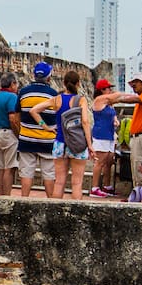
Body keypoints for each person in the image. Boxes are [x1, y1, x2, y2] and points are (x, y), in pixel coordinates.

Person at [106, 74, 142, 191]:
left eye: (137, 82)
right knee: (136, 168)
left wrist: (117, 99)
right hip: (137, 138)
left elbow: (133, 99)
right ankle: (137, 194)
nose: (134, 85)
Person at [16, 61, 60, 198]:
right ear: (49, 77)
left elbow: (17, 116)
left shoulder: (23, 92)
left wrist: (21, 131)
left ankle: (24, 200)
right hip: (47, 140)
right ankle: (51, 202)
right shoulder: (53, 94)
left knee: (26, 172)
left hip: (27, 139)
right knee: (49, 173)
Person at [49, 70, 93, 200]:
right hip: (77, 143)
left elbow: (35, 110)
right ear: (78, 83)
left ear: (63, 83)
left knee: (59, 182)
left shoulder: (57, 99)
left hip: (60, 143)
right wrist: (89, 144)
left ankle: (55, 213)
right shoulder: (81, 100)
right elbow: (85, 121)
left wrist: (45, 126)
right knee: (77, 183)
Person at [0, 72, 20, 195]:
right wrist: (18, 134)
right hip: (9, 133)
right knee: (9, 168)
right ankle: (7, 195)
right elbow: (12, 118)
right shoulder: (12, 97)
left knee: (1, 166)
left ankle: (1, 194)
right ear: (12, 84)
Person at [89, 78, 118, 196]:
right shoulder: (98, 101)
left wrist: (115, 121)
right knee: (99, 162)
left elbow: (113, 116)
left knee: (109, 161)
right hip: (101, 135)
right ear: (102, 90)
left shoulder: (109, 104)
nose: (110, 90)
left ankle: (106, 186)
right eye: (108, 88)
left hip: (109, 134)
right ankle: (95, 188)